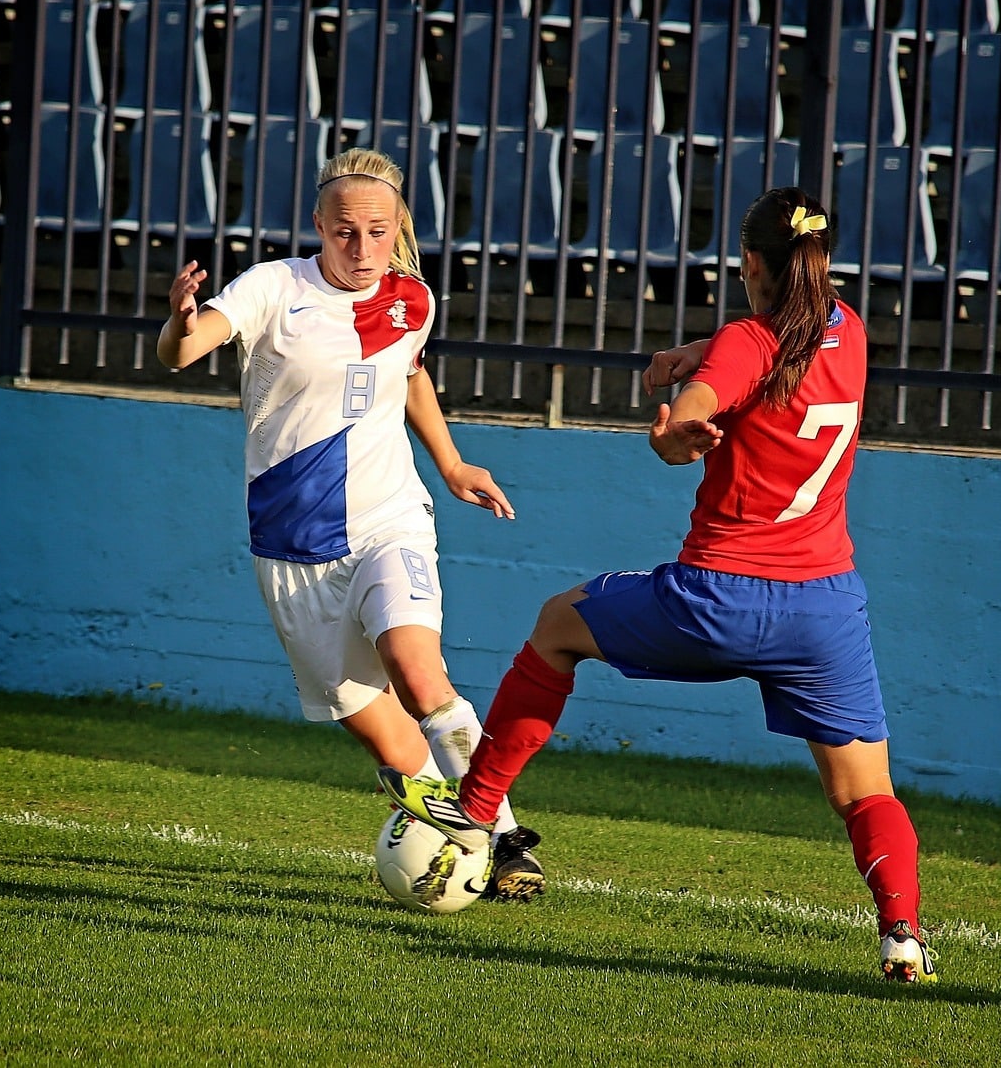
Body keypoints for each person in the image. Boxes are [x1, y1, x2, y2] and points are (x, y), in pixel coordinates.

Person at [378, 186, 937, 980]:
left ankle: (474, 811)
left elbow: (707, 401)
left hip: (721, 597)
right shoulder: (848, 331)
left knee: (556, 625)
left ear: (749, 264)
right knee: (864, 792)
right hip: (825, 610)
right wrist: (700, 356)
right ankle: (903, 934)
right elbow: (772, 355)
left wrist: (680, 426)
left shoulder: (747, 339)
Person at [156, 146, 545, 900]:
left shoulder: (412, 300)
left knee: (417, 668)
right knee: (388, 740)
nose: (360, 248)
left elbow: (409, 373)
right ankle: (463, 847)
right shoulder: (275, 287)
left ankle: (500, 841)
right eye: (343, 232)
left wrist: (454, 464)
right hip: (293, 549)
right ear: (318, 226)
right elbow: (187, 348)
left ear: (396, 225)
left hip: (388, 519)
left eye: (375, 231)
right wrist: (179, 323)